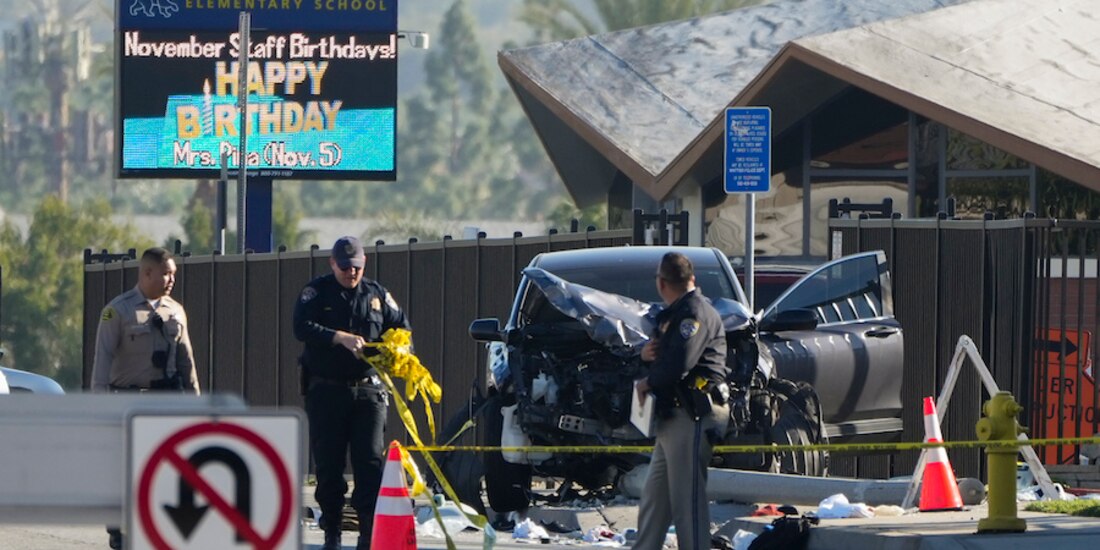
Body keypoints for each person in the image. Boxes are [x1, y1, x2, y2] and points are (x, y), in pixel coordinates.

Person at [294, 236, 411, 550]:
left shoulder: (377, 295)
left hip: (368, 393)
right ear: (333, 263)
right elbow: (301, 326)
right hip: (327, 392)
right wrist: (339, 338)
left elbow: (403, 329)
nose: (351, 272)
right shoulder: (317, 292)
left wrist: (398, 350)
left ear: (364, 263)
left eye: (356, 266)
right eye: (345, 267)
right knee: (329, 466)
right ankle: (332, 531)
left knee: (369, 463)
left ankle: (367, 534)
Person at [91, 247, 200, 549]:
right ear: (147, 273)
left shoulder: (176, 311)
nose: (171, 280)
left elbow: (186, 361)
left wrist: (196, 404)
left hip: (165, 402)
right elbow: (102, 361)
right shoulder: (117, 311)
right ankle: (118, 528)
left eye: (174, 274)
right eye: (166, 273)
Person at [633, 252, 731, 550]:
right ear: (692, 278)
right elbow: (669, 356)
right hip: (672, 417)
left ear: (661, 283)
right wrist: (644, 355)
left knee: (687, 504)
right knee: (655, 501)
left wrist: (646, 383)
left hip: (693, 414)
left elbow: (681, 363)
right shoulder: (676, 314)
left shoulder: (693, 314)